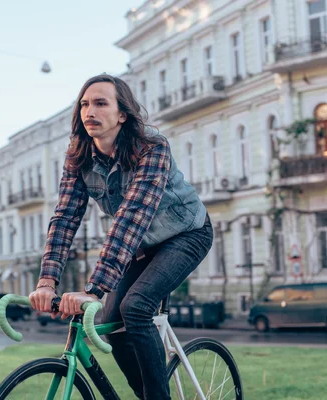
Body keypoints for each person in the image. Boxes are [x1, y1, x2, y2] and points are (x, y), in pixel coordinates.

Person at [29, 73, 213, 399]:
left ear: (121, 113)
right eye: (84, 104)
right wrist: (47, 281)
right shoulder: (79, 155)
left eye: (100, 103)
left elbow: (131, 218)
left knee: (137, 307)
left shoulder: (151, 146)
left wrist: (94, 289)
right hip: (140, 248)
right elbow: (65, 218)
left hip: (186, 234)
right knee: (113, 325)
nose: (90, 111)